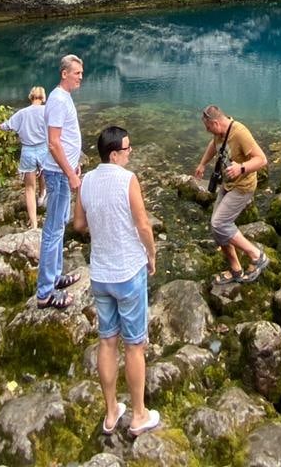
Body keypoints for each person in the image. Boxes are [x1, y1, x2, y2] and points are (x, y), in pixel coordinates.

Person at [74, 125, 159, 438]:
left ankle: (111, 413)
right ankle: (138, 415)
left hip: (100, 274)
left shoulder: (87, 181)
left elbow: (79, 224)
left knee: (107, 341)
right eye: (127, 148)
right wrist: (151, 256)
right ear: (114, 154)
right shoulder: (127, 179)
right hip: (127, 272)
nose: (130, 151)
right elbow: (143, 225)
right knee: (135, 345)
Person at [194, 105, 268, 286]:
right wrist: (203, 164)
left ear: (216, 122)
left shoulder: (240, 133)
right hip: (228, 184)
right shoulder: (220, 133)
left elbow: (262, 159)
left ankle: (256, 255)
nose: (207, 130)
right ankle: (236, 269)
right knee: (216, 227)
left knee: (220, 223)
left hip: (242, 186)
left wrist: (241, 168)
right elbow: (214, 145)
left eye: (208, 127)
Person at [35, 54, 84, 310]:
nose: (80, 77)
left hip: (61, 171)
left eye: (81, 73)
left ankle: (55, 277)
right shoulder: (56, 100)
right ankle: (45, 293)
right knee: (53, 232)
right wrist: (71, 173)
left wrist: (73, 162)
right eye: (77, 73)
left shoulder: (63, 98)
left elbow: (63, 140)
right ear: (64, 73)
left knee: (59, 228)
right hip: (57, 174)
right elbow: (53, 142)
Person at [0, 86, 47, 229]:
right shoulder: (47, 111)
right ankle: (43, 193)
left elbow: (7, 126)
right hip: (44, 148)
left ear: (30, 97)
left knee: (29, 188)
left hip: (28, 151)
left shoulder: (22, 113)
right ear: (43, 98)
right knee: (44, 172)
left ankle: (33, 223)